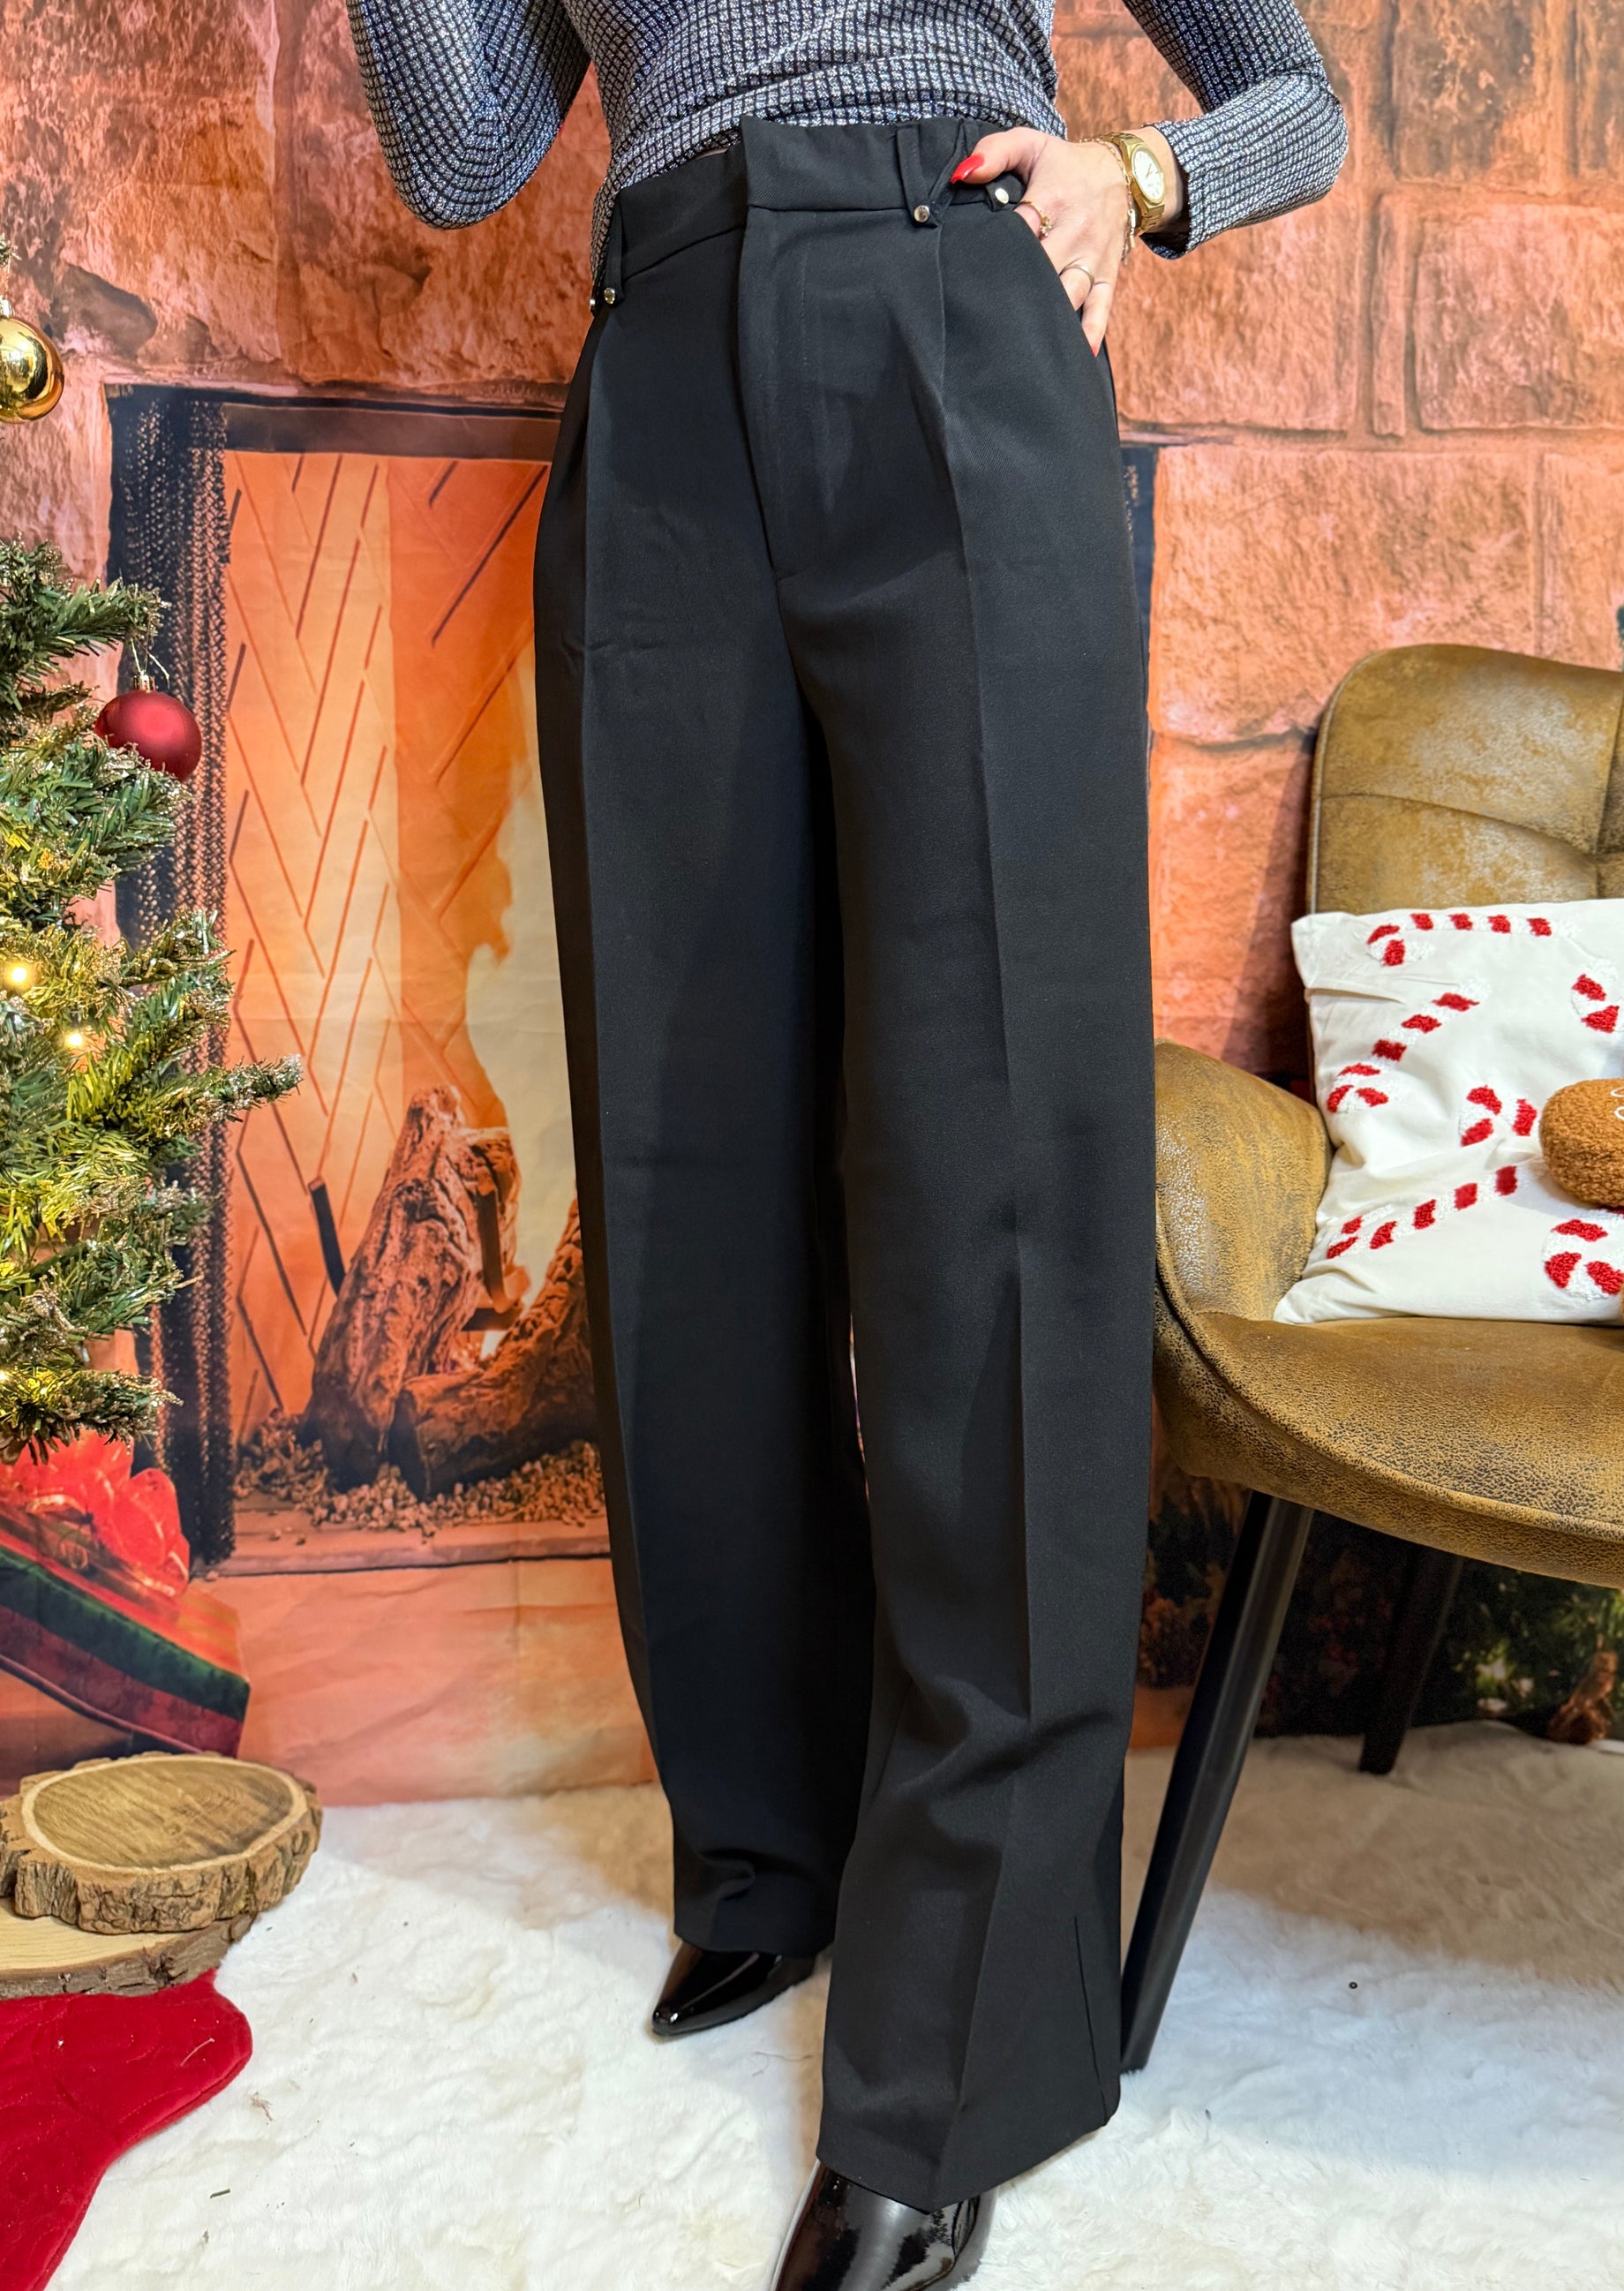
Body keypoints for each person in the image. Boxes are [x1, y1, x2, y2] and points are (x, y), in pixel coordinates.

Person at [345, 2, 1344, 2281]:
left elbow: (1294, 95)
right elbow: (466, 154)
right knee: (680, 1164)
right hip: (658, 357)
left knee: (991, 1169)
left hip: (943, 308)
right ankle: (768, 1841)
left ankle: (962, 2040)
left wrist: (1145, 183)